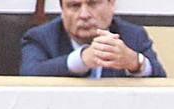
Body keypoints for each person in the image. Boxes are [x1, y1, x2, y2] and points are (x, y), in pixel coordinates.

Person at [20, 0, 165, 79]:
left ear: (111, 4)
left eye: (93, 4)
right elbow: (28, 75)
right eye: (74, 6)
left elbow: (161, 79)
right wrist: (80, 60)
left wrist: (135, 62)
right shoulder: (40, 37)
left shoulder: (133, 35)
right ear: (62, 10)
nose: (84, 15)